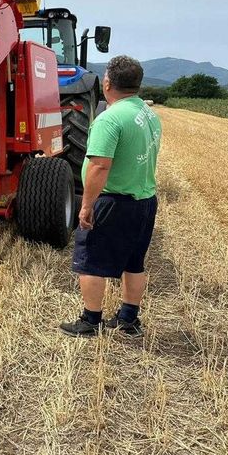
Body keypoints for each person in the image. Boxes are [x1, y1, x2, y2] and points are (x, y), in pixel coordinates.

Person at [60, 55, 162, 338]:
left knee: (90, 259)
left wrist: (87, 206)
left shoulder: (110, 119)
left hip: (115, 202)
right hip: (144, 200)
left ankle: (91, 321)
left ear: (107, 83)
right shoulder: (148, 114)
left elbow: (100, 165)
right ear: (137, 84)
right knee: (134, 262)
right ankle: (128, 320)